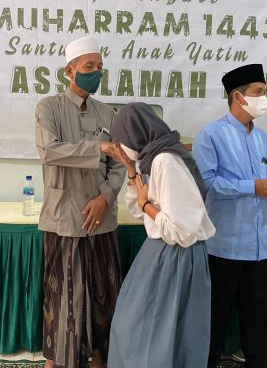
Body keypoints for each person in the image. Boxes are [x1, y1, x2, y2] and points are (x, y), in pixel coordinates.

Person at [34, 36, 126, 368]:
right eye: (89, 67)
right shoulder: (49, 107)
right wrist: (97, 148)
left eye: (100, 67)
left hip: (102, 217)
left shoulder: (108, 113)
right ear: (69, 71)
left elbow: (119, 164)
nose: (96, 73)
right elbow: (49, 151)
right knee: (64, 297)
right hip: (64, 217)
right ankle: (57, 359)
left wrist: (105, 197)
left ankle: (101, 356)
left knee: (105, 295)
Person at [106, 102, 216, 368]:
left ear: (134, 134)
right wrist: (131, 171)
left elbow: (183, 230)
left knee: (159, 331)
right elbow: (138, 210)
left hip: (177, 255)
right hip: (162, 251)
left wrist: (147, 205)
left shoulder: (166, 161)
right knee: (143, 326)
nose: (120, 147)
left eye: (122, 140)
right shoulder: (151, 158)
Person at [193, 63, 267, 368]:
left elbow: (261, 178)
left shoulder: (262, 139)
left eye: (264, 92)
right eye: (258, 92)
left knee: (258, 318)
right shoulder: (211, 135)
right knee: (215, 318)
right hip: (225, 246)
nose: (264, 99)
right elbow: (206, 185)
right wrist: (252, 187)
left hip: (261, 246)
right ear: (238, 96)